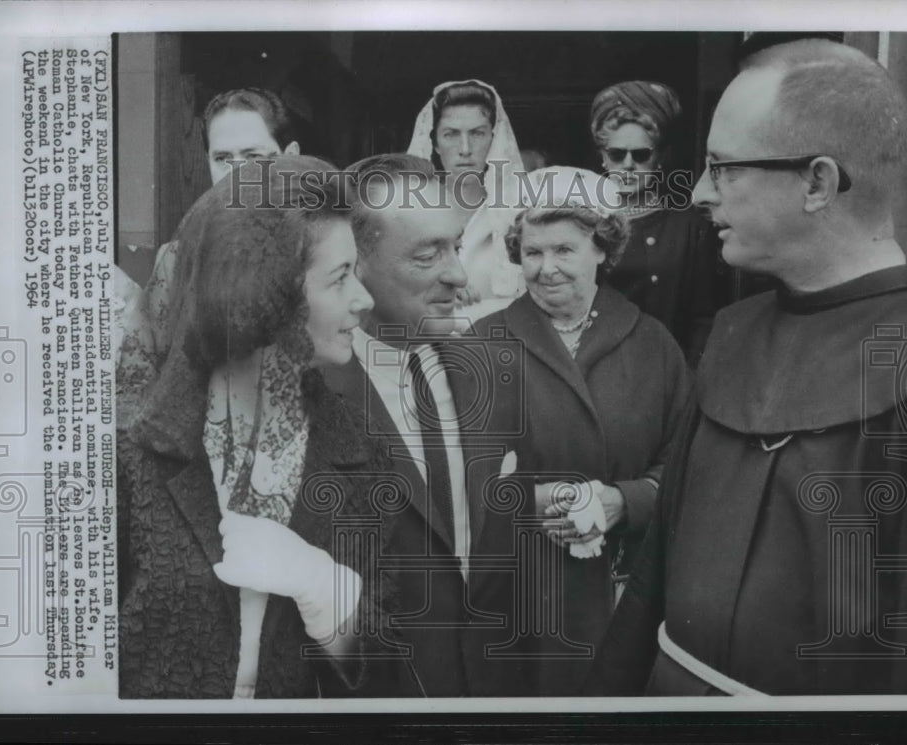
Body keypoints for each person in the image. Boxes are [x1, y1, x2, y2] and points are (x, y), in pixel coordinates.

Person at [585, 40, 907, 696]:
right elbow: (653, 579)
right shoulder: (732, 334)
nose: (701, 192)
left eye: (721, 167)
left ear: (817, 182)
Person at [117, 157, 405, 698]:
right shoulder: (130, 455)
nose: (363, 300)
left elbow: (385, 676)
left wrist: (328, 590)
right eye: (339, 278)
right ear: (263, 294)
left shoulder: (361, 457)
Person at [472, 166, 692, 696]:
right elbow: (453, 480)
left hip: (623, 592)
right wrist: (530, 499)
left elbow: (688, 465)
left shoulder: (653, 343)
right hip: (520, 599)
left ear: (602, 249)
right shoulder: (482, 343)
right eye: (532, 252)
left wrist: (627, 500)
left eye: (564, 250)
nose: (546, 269)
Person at [322, 153, 532, 696]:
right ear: (356, 265)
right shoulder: (312, 394)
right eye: (427, 254)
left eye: (456, 245)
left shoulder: (492, 366)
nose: (458, 275)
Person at [115, 87, 301, 370]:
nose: (237, 174)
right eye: (223, 159)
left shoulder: (324, 249)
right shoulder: (177, 260)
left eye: (254, 158)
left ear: (291, 158)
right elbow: (145, 369)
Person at [590, 80, 725, 364]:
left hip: (669, 372)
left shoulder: (688, 226)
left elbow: (703, 318)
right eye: (616, 154)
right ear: (603, 157)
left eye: (641, 155)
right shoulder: (586, 222)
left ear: (660, 156)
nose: (628, 165)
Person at [407, 80, 526, 321]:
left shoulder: (516, 213)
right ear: (435, 144)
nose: (465, 148)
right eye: (450, 134)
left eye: (477, 133)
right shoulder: (410, 213)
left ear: (494, 140)